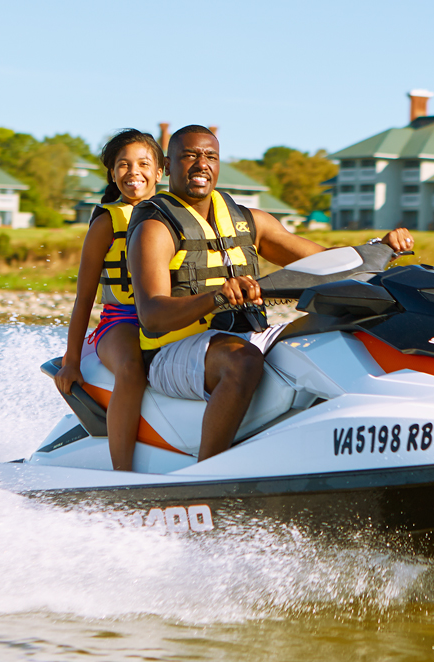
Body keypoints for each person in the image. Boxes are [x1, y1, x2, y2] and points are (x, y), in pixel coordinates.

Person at [129, 124, 413, 460]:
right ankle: (208, 473)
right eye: (189, 155)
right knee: (243, 361)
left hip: (245, 334)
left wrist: (382, 248)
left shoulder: (249, 221)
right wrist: (217, 296)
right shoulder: (155, 228)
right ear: (167, 166)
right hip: (172, 351)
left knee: (330, 335)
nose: (201, 164)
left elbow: (327, 261)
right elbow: (153, 315)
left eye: (210, 156)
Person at [52, 128, 163, 471]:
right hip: (122, 321)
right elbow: (84, 298)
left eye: (143, 164)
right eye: (123, 165)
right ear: (112, 174)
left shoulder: (174, 217)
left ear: (160, 171)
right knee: (131, 369)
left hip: (169, 318)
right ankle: (123, 473)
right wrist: (71, 361)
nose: (133, 172)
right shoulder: (107, 222)